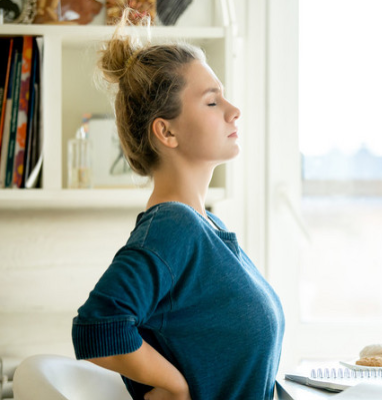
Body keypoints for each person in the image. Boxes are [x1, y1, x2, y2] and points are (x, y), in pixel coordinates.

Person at [71, 10, 285, 400]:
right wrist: (174, 385)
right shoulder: (174, 226)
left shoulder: (210, 227)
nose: (232, 110)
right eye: (211, 102)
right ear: (166, 131)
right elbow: (97, 324)